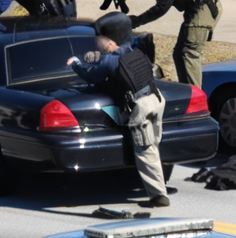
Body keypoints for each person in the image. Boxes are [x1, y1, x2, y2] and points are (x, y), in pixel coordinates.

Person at [68, 12, 171, 208]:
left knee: (145, 150)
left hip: (140, 107)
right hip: (156, 99)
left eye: (99, 39)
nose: (97, 43)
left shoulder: (110, 61)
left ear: (110, 42)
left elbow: (92, 76)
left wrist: (77, 64)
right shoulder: (135, 50)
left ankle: (159, 196)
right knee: (153, 144)